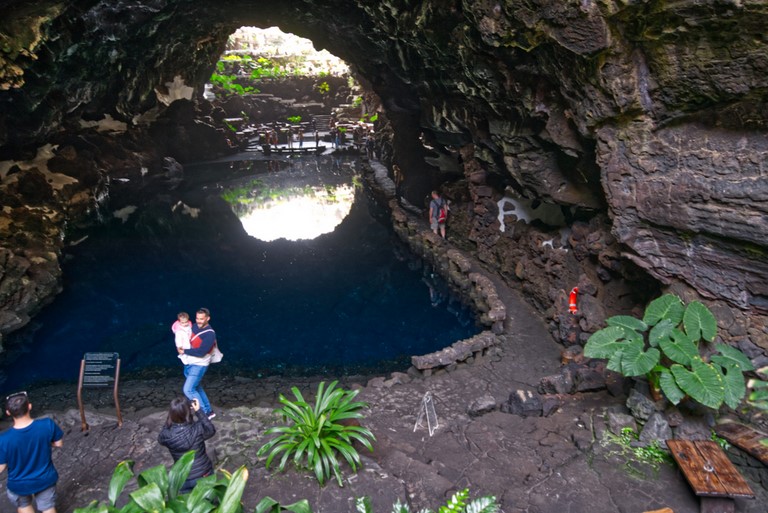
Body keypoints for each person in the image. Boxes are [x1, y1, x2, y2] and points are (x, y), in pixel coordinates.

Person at [0, 392, 64, 513]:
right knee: (48, 507)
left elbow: (1, 467)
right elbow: (58, 444)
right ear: (29, 406)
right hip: (45, 479)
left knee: (24, 506)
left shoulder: (3, 439)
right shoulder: (47, 424)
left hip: (19, 484)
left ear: (8, 412)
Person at [158, 397, 215, 493]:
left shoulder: (166, 435)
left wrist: (171, 417)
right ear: (189, 412)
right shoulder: (198, 428)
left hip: (182, 477)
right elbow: (211, 430)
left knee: (186, 505)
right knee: (208, 502)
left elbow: (160, 438)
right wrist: (198, 411)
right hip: (203, 473)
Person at [179, 308, 217, 419]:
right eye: (197, 318)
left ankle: (204, 414)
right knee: (196, 388)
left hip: (199, 365)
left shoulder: (210, 334)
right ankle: (209, 412)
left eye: (202, 319)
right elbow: (179, 325)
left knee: (188, 389)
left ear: (208, 318)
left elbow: (201, 352)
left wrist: (184, 351)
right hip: (190, 362)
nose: (199, 321)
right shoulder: (194, 326)